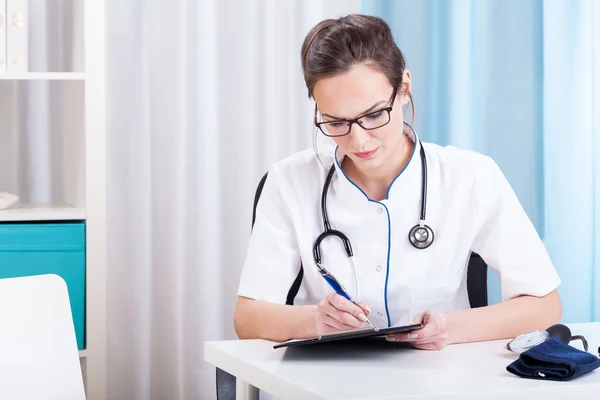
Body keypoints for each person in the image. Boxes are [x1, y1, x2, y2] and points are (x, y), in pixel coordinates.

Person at [233, 14, 562, 351]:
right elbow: (248, 318)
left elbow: (545, 305)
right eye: (335, 122)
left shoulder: (471, 177)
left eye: (374, 115)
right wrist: (315, 321)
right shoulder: (289, 182)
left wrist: (449, 328)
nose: (359, 140)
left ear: (404, 88)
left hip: (440, 380)